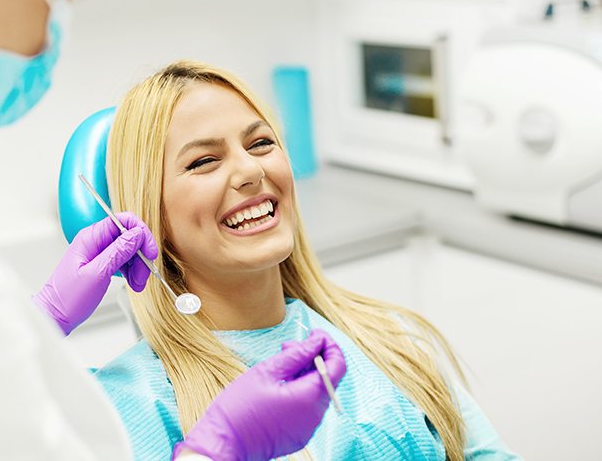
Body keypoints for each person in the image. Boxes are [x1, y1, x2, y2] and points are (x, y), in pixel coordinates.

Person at [0, 0, 345, 459]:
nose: (49, 34)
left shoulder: (387, 341)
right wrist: (216, 451)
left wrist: (39, 320)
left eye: (260, 142)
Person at [95, 59, 523, 460]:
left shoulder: (388, 339)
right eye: (204, 161)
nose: (250, 171)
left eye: (261, 143)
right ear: (152, 213)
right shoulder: (128, 402)